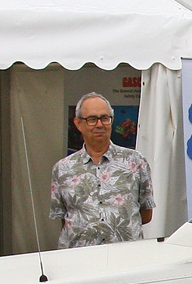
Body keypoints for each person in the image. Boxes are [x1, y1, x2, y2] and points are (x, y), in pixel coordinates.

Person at [48, 93, 155, 249]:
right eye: (92, 119)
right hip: (78, 259)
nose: (99, 125)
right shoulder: (63, 169)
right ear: (78, 123)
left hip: (126, 257)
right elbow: (63, 218)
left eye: (105, 118)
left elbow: (145, 213)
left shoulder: (135, 162)